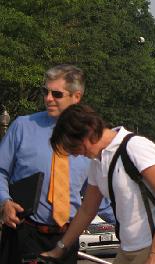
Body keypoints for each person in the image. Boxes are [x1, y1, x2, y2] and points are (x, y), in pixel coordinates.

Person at [40, 104, 155, 264]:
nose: (75, 154)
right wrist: (59, 249)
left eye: (74, 147)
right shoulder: (97, 162)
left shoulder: (134, 147)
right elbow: (87, 210)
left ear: (89, 131)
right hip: (128, 250)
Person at [0, 65, 97, 264]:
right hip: (24, 231)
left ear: (76, 97)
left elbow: (98, 195)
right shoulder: (22, 126)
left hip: (67, 237)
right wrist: (4, 202)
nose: (48, 98)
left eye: (57, 94)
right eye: (45, 91)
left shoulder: (90, 139)